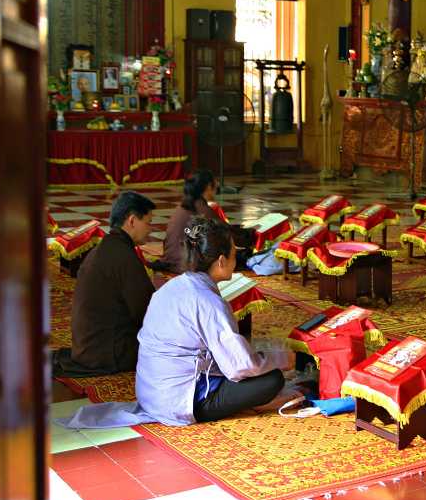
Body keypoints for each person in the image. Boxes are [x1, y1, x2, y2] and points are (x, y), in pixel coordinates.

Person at [136, 217, 291, 425]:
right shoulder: (208, 302)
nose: (236, 262)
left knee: (251, 360)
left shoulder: (171, 286)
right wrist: (280, 359)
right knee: (271, 380)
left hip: (149, 392)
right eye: (234, 255)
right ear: (221, 261)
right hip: (180, 401)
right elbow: (239, 367)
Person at [52, 191, 156, 377]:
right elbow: (147, 311)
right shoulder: (123, 256)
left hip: (87, 347)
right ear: (132, 221)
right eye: (148, 223)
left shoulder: (107, 247)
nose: (151, 229)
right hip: (108, 354)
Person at [159, 169, 255, 272]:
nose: (217, 185)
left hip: (171, 260)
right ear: (209, 186)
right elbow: (229, 236)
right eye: (215, 182)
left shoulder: (182, 206)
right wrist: (252, 234)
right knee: (243, 257)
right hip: (186, 265)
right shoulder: (203, 210)